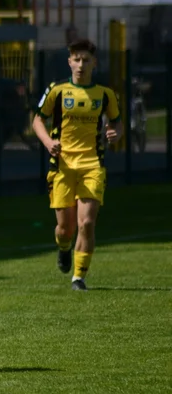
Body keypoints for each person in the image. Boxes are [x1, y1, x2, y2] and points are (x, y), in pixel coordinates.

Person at [32, 39, 122, 291]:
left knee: (87, 223)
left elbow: (117, 123)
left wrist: (116, 133)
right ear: (69, 62)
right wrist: (49, 142)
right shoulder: (57, 90)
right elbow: (37, 121)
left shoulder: (105, 95)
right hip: (62, 166)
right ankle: (63, 248)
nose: (81, 64)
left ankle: (78, 277)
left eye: (86, 60)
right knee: (65, 228)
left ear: (94, 62)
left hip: (92, 164)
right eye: (77, 59)